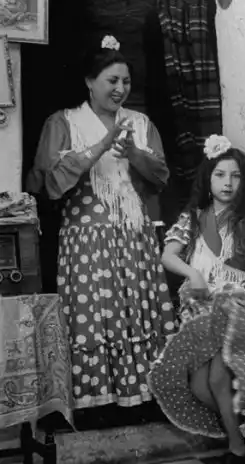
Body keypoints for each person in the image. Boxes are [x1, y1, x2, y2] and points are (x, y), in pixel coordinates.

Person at [27, 34, 176, 410]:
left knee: (136, 312)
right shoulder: (64, 122)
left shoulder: (140, 123)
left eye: (126, 81)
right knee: (93, 315)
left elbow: (160, 176)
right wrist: (100, 146)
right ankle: (96, 400)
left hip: (134, 236)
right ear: (89, 81)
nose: (120, 89)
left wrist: (134, 153)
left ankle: (140, 394)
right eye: (112, 80)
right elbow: (49, 182)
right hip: (88, 240)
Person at [148, 134, 245, 464]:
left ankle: (237, 451)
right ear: (208, 180)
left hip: (238, 308)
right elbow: (168, 255)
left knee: (217, 379)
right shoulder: (193, 218)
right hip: (203, 311)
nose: (228, 183)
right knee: (201, 387)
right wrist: (193, 273)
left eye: (236, 176)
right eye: (220, 175)